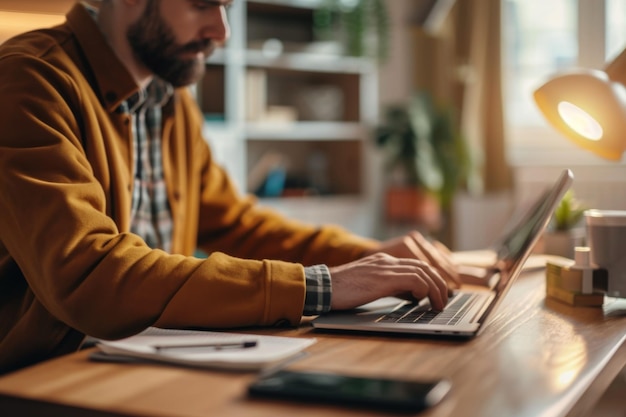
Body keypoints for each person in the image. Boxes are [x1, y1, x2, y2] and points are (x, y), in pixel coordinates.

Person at [0, 0, 461, 374]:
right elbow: (92, 275)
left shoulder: (169, 98)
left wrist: (374, 260)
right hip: (45, 376)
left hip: (143, 359)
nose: (221, 31)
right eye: (203, 5)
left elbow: (239, 225)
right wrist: (321, 286)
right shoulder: (28, 81)